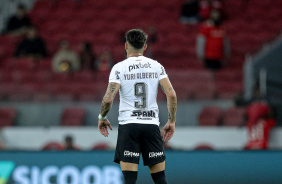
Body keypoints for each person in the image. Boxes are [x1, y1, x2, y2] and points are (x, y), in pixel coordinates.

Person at [98, 29, 177, 184]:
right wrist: (171, 121)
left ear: (126, 45)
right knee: (160, 178)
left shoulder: (119, 68)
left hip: (129, 126)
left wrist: (102, 117)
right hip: (151, 126)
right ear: (145, 46)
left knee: (129, 179)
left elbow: (108, 98)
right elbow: (172, 95)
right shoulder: (156, 66)